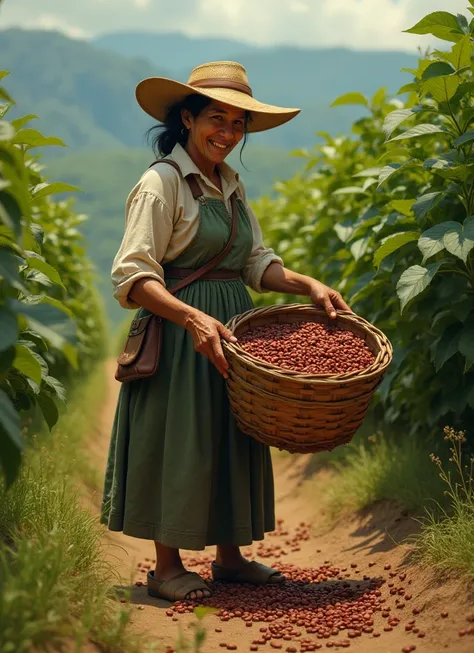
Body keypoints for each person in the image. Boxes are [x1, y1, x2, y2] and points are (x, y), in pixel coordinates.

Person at [101, 61, 351, 603]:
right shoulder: (162, 182)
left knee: (230, 435)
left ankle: (230, 559)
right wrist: (191, 317)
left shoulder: (230, 185)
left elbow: (255, 263)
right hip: (179, 330)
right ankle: (166, 567)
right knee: (180, 438)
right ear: (188, 118)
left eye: (238, 124)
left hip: (231, 328)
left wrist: (307, 284)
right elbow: (134, 273)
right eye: (217, 119)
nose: (228, 133)